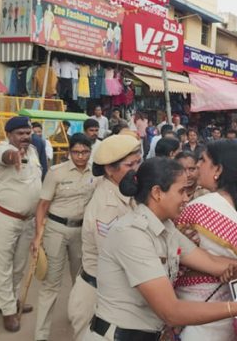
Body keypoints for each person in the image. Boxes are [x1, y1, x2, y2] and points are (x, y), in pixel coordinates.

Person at [89, 157, 237, 341]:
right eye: (181, 191)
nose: (187, 198)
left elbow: (210, 262)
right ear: (157, 193)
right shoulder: (132, 234)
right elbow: (171, 311)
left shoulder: (166, 227)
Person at [174, 140, 237, 340]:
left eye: (203, 160)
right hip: (225, 316)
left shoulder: (199, 207)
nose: (198, 165)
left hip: (194, 314)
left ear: (218, 169)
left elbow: (172, 257)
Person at [68, 134, 141, 341]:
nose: (136, 169)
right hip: (96, 296)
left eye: (138, 162)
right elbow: (118, 257)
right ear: (110, 169)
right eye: (130, 164)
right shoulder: (107, 207)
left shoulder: (122, 190)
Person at [32, 133, 94, 341]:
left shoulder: (95, 174)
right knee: (51, 284)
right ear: (69, 152)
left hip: (81, 232)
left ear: (90, 152)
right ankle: (41, 334)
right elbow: (42, 205)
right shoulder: (56, 173)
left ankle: (75, 315)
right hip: (56, 230)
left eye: (85, 152)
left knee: (80, 280)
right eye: (76, 152)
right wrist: (38, 235)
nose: (80, 156)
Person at [0, 116, 42, 332]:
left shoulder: (34, 151)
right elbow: (7, 157)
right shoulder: (1, 150)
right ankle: (8, 311)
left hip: (27, 220)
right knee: (2, 267)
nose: (25, 137)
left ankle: (10, 300)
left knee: (19, 266)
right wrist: (13, 155)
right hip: (4, 218)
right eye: (20, 134)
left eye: (28, 133)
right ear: (9, 135)